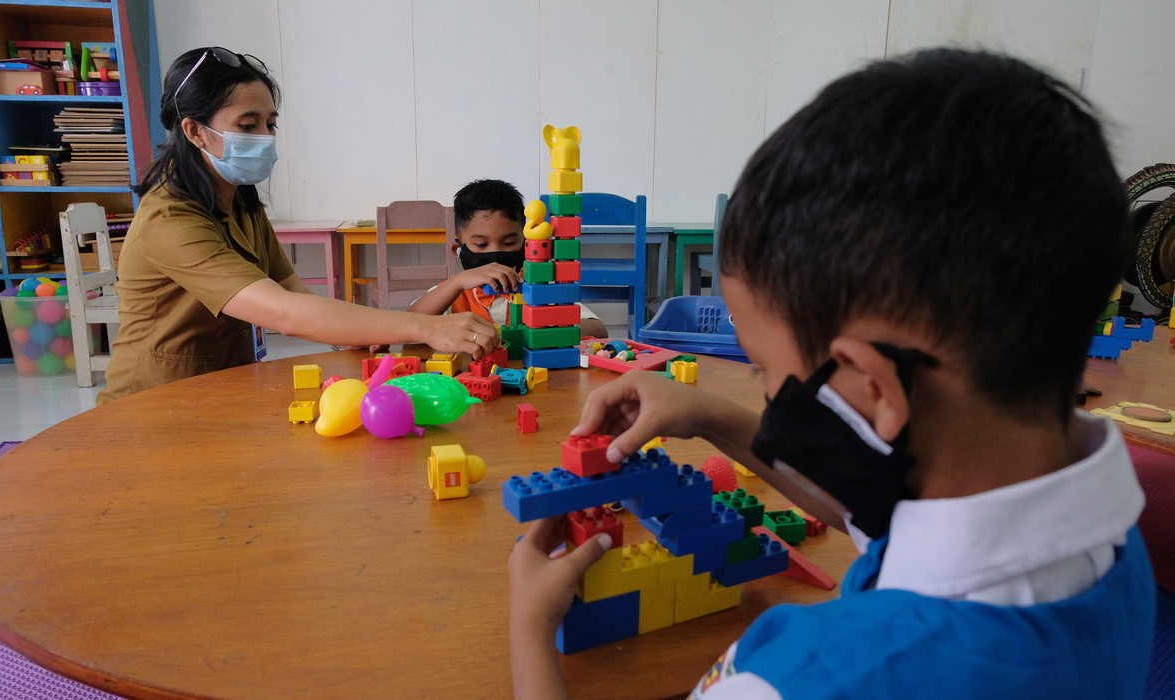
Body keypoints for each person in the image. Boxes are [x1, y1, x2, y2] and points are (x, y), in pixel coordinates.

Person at [508, 48, 1154, 699]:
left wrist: (531, 630)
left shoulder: (801, 680)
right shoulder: (1094, 529)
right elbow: (875, 514)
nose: (767, 393)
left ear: (875, 388)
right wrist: (706, 413)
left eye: (765, 370)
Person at [98, 47, 498, 404]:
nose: (265, 137)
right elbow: (285, 312)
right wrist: (427, 328)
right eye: (248, 125)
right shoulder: (171, 220)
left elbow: (291, 289)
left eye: (270, 124)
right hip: (151, 403)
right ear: (196, 131)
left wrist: (364, 331)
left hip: (216, 390)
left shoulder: (241, 203)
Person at [406, 178, 608, 338]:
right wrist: (457, 282)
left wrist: (537, 330)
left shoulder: (540, 288)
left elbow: (598, 329)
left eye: (509, 243)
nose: (495, 256)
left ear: (526, 244)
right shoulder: (452, 292)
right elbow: (407, 326)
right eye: (481, 245)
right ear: (457, 250)